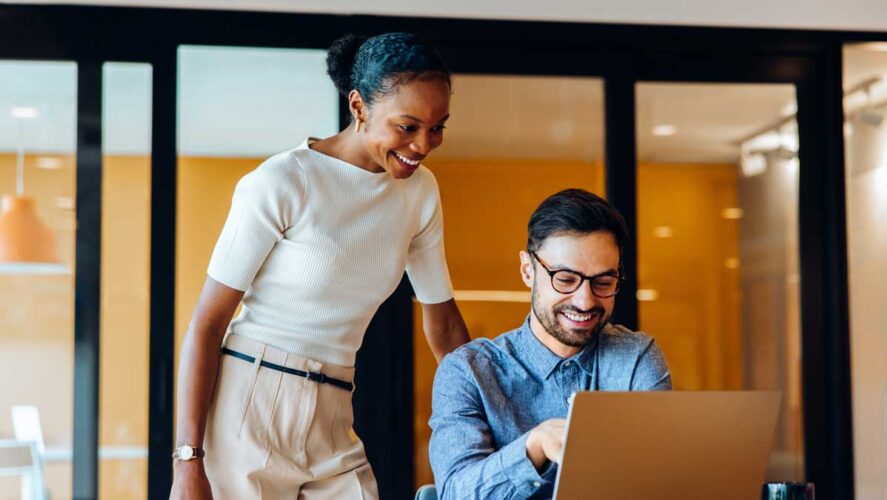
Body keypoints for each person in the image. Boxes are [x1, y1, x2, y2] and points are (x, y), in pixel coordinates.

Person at [169, 32, 470, 500]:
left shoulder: (420, 192)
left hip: (335, 404)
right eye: (407, 126)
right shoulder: (283, 181)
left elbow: (445, 324)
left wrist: (485, 417)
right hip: (249, 402)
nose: (424, 144)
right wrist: (188, 461)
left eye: (437, 127)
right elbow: (208, 324)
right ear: (358, 107)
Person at [428, 189, 672, 500]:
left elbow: (658, 482)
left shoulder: (636, 357)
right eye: (566, 280)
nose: (585, 301)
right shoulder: (468, 371)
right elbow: (455, 494)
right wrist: (534, 446)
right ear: (527, 270)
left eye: (603, 283)